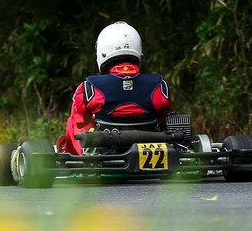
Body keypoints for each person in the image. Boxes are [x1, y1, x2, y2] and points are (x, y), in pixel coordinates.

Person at [56, 21, 173, 155]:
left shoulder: (90, 86)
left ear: (102, 51)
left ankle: (70, 157)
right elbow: (164, 115)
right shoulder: (158, 84)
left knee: (74, 121)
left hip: (105, 148)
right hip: (151, 146)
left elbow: (80, 121)